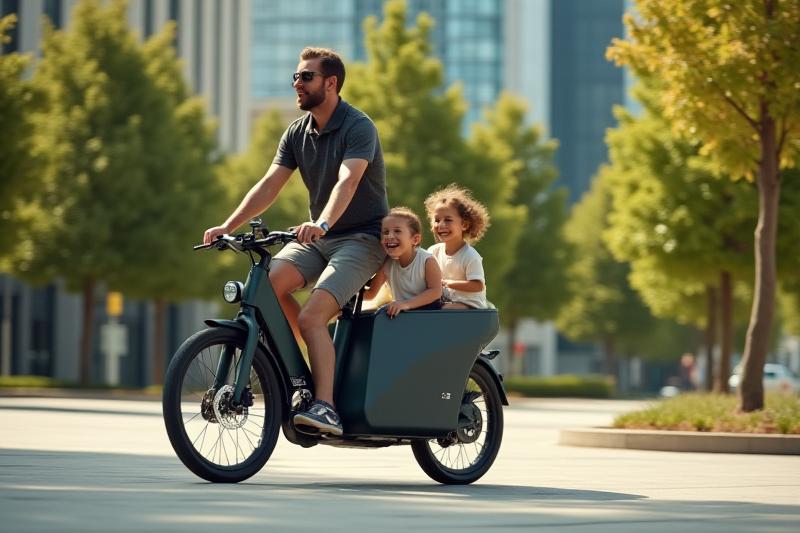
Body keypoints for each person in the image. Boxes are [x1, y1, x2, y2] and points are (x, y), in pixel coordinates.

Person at [203, 47, 388, 436]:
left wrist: (322, 221)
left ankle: (327, 407)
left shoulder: (358, 126)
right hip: (319, 236)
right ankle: (304, 372)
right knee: (267, 287)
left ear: (330, 83)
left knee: (311, 317)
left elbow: (348, 181)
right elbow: (270, 184)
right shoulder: (296, 132)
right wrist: (227, 225)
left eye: (306, 77)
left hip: (361, 238)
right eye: (295, 77)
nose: (296, 84)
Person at [364, 208, 443, 316]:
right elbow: (371, 294)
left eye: (397, 231)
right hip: (402, 315)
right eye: (386, 232)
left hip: (429, 314)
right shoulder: (387, 263)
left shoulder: (427, 260)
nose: (390, 236)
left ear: (415, 239)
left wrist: (406, 304)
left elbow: (436, 291)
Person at [424, 184, 490, 309]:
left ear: (464, 225)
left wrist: (448, 283)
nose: (441, 225)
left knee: (440, 310)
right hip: (445, 302)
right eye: (437, 220)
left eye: (448, 220)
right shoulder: (433, 251)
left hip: (469, 306)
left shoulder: (470, 256)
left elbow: (478, 286)